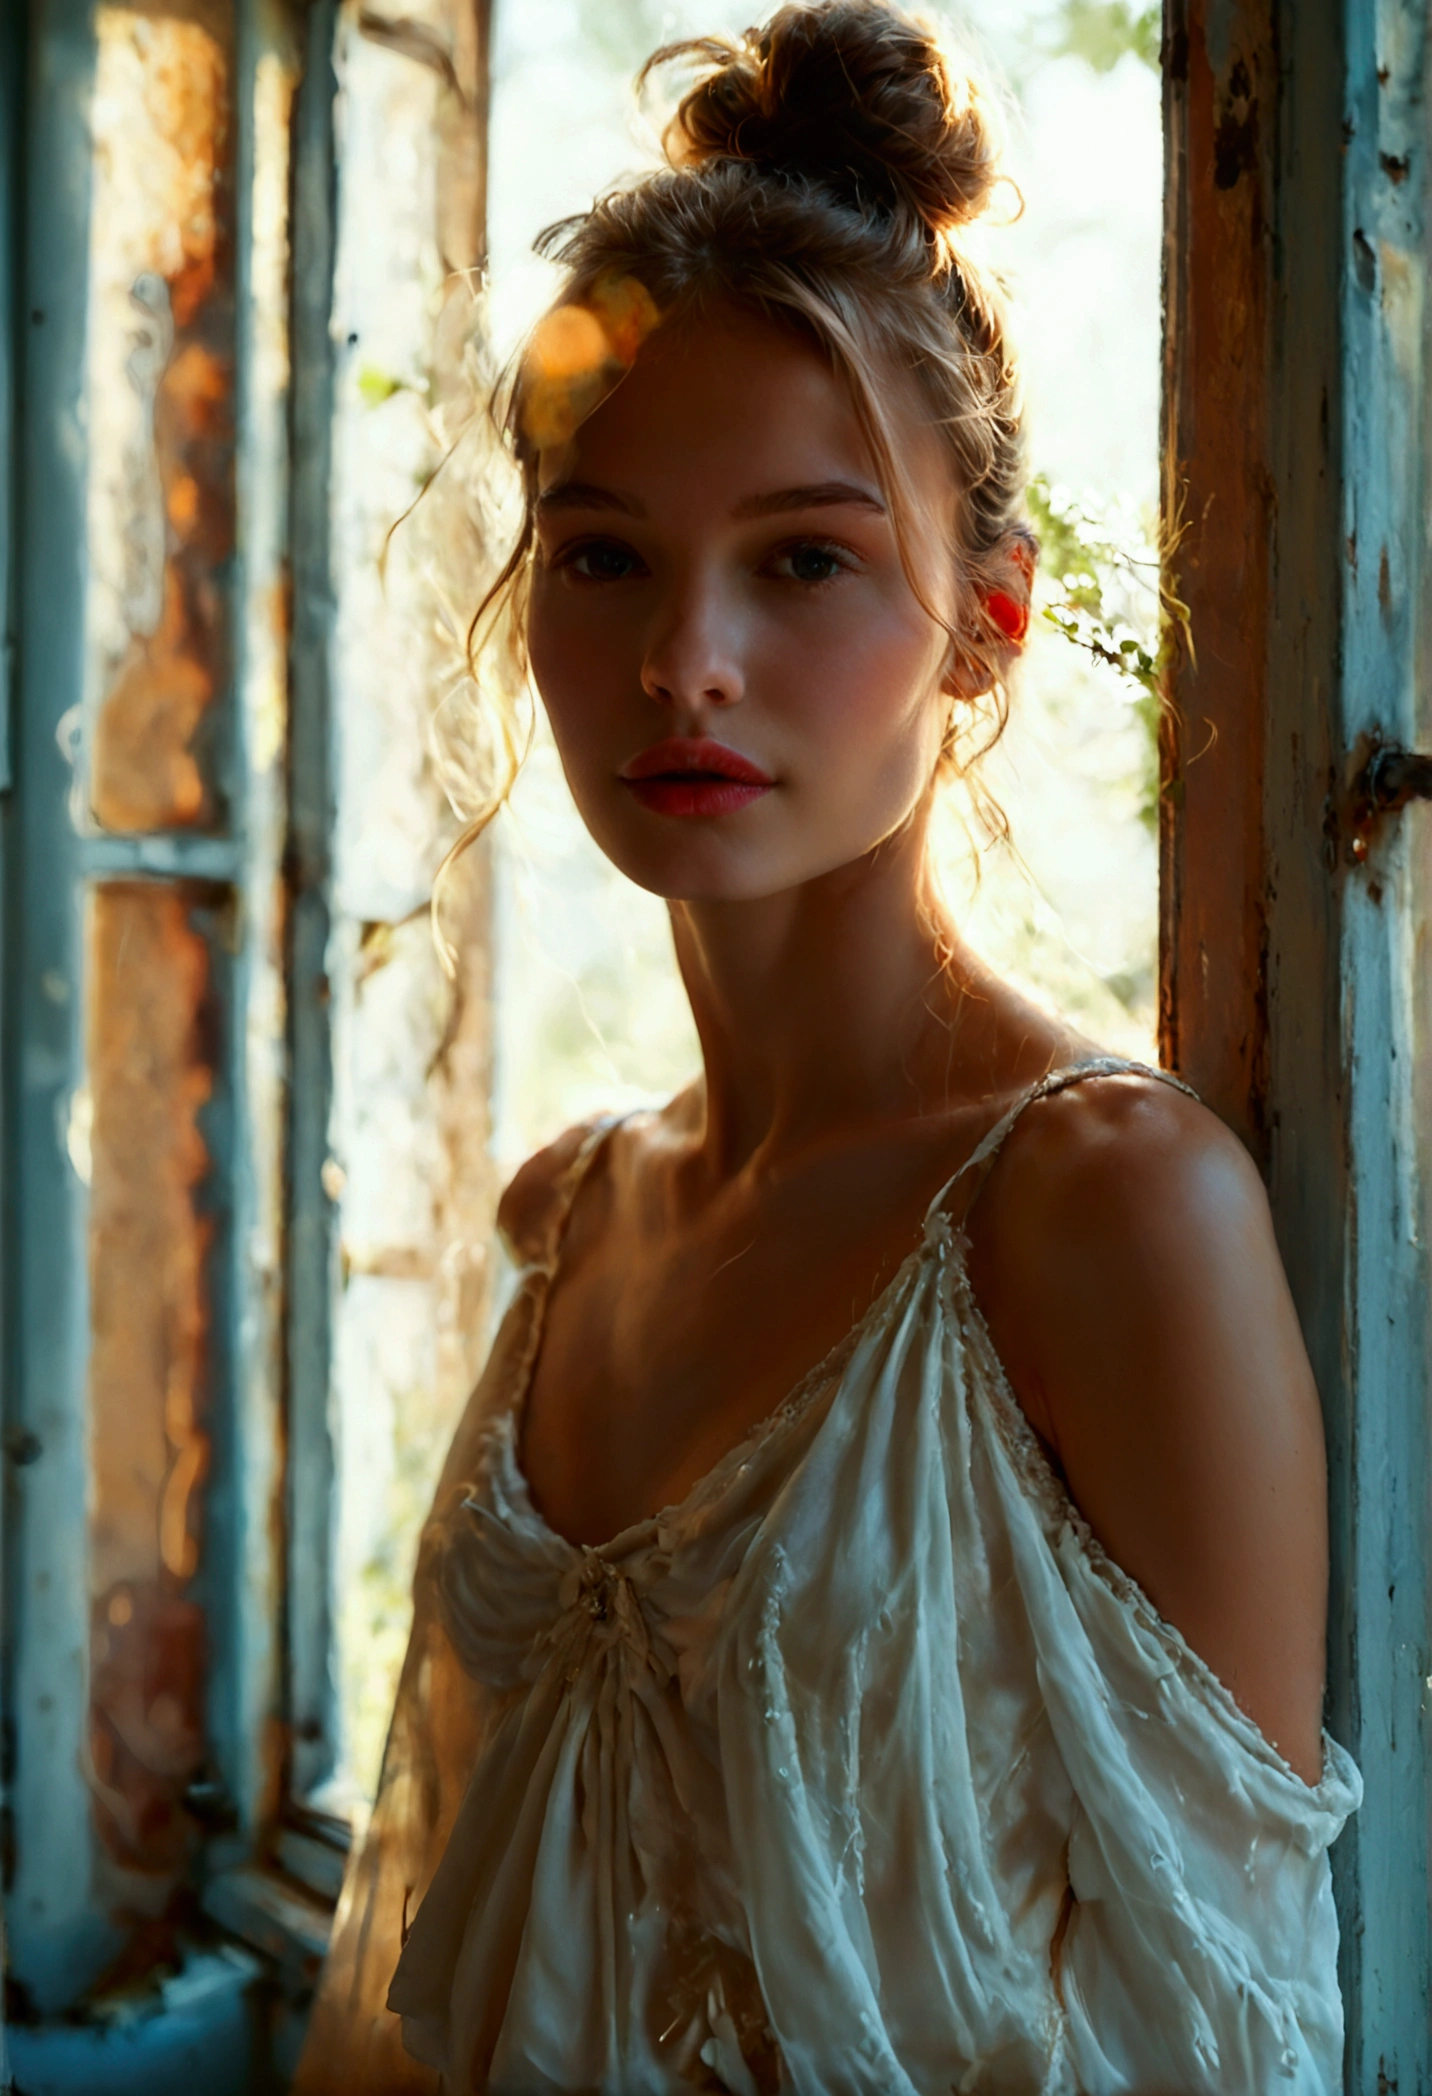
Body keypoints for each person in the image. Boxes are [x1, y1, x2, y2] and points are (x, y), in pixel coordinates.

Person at [295, 4, 1359, 2089]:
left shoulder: (1103, 1212)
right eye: (604, 557)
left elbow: (1230, 2029)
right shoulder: (577, 1218)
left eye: (802, 560)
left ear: (984, 623)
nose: (684, 659)